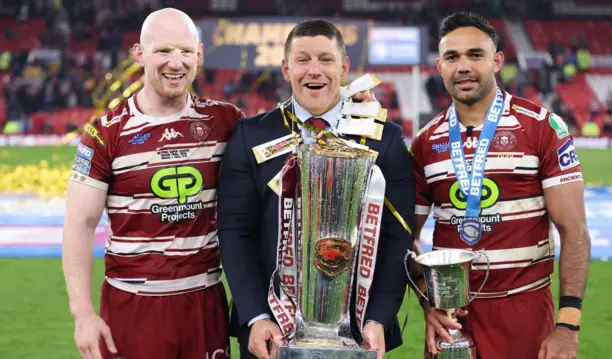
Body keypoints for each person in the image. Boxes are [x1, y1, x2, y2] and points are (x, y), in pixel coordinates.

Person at [217, 19, 414, 359]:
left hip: (358, 331)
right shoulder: (250, 135)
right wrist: (257, 316)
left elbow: (398, 236)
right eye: (303, 59)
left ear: (344, 66)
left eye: (325, 59)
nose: (314, 70)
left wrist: (379, 318)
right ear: (285, 67)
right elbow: (235, 232)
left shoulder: (385, 137)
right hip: (271, 333)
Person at [61, 8, 244, 359]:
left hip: (204, 301)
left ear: (199, 54)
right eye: (163, 50)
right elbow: (79, 225)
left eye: (185, 51)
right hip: (132, 305)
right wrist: (82, 313)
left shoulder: (226, 120)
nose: (176, 63)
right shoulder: (104, 134)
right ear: (139, 54)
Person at [409, 12, 591, 359]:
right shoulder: (424, 143)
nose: (463, 66)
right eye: (452, 57)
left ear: (497, 61)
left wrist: (568, 326)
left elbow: (574, 230)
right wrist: (428, 301)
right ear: (439, 66)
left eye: (475, 55)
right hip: (452, 322)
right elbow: (405, 236)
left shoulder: (543, 127)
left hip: (524, 316)